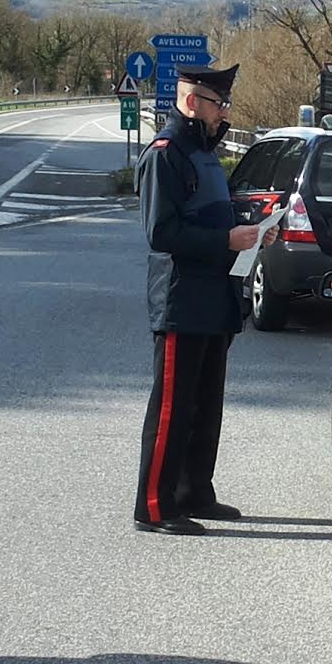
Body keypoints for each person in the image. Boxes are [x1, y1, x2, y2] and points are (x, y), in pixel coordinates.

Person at [132, 63, 279, 536]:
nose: (225, 114)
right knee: (173, 408)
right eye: (219, 104)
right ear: (192, 102)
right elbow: (161, 232)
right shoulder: (166, 154)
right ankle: (154, 506)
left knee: (205, 404)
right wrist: (225, 241)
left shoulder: (205, 155)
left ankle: (194, 491)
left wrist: (253, 231)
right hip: (181, 299)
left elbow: (213, 215)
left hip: (215, 297)